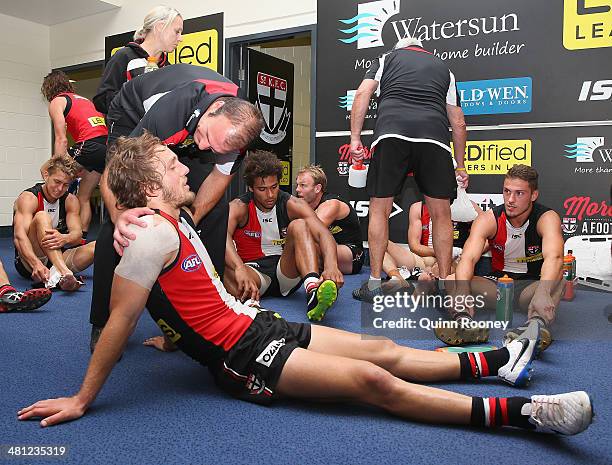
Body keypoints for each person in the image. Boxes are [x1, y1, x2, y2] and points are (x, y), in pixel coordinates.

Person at [16, 134, 593, 437]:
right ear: (150, 183)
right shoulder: (146, 236)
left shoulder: (169, 217)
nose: (181, 168)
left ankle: (498, 359)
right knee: (372, 379)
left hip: (255, 322)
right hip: (242, 356)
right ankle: (524, 416)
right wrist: (83, 397)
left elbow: (179, 290)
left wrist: (172, 329)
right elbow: (119, 318)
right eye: (170, 164)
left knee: (383, 348)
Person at [89, 64, 263, 351]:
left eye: (216, 148)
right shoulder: (172, 110)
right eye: (206, 136)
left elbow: (218, 178)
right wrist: (121, 218)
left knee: (216, 213)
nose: (205, 147)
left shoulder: (230, 134)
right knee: (122, 224)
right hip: (133, 112)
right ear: (213, 109)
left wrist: (188, 222)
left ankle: (204, 316)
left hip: (186, 129)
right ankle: (102, 323)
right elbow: (111, 175)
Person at [349, 35, 468, 302]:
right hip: (435, 140)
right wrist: (460, 165)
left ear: (399, 49)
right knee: (441, 215)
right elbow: (458, 122)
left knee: (379, 209)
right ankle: (443, 286)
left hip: (392, 135)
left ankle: (375, 284)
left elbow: (362, 93)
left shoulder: (386, 58)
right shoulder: (445, 69)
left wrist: (355, 138)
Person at [438, 165, 564, 350]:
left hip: (531, 286)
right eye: (507, 192)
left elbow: (554, 257)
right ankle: (465, 324)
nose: (511, 200)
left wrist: (543, 292)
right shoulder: (489, 219)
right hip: (497, 286)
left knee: (558, 280)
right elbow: (468, 258)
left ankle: (536, 327)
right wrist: (462, 292)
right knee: (452, 280)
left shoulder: (546, 218)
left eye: (519, 193)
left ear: (533, 195)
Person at [225, 153, 343, 321]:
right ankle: (250, 307)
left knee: (300, 225)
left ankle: (312, 290)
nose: (270, 195)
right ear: (250, 188)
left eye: (274, 187)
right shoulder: (238, 207)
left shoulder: (293, 204)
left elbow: (323, 234)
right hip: (254, 274)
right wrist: (238, 267)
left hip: (285, 270)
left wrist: (331, 265)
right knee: (221, 262)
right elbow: (223, 238)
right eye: (262, 189)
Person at [13, 155, 95, 291]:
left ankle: (56, 275)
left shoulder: (70, 200)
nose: (60, 188)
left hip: (58, 256)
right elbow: (19, 237)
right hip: (31, 260)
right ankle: (63, 273)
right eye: (57, 181)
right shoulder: (29, 198)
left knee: (96, 247)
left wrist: (65, 238)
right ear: (46, 175)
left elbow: (77, 234)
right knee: (42, 217)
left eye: (66, 185)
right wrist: (35, 264)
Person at [41, 70, 108, 236]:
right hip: (106, 148)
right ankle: (81, 238)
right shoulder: (84, 100)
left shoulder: (57, 101)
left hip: (88, 146)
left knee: (49, 175)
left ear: (48, 89)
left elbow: (61, 139)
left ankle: (49, 227)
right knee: (83, 197)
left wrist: (54, 166)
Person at [93, 5, 182, 115]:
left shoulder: (169, 68)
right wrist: (135, 97)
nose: (180, 38)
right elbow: (101, 100)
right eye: (177, 32)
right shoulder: (124, 56)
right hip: (128, 131)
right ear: (160, 27)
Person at [295, 164, 364, 275]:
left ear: (317, 188)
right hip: (331, 249)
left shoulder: (331, 204)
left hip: (352, 254)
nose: (298, 190)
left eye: (303, 185)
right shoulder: (305, 205)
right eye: (297, 185)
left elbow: (310, 233)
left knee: (307, 245)